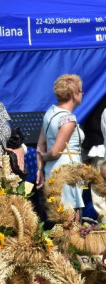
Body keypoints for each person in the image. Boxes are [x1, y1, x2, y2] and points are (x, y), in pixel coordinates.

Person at [36, 74, 84, 223]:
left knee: (61, 215)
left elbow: (40, 145)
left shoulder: (49, 113)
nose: (82, 94)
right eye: (81, 91)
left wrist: (40, 169)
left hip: (53, 169)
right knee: (71, 218)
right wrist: (44, 157)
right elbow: (55, 151)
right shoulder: (69, 119)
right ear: (74, 94)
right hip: (67, 170)